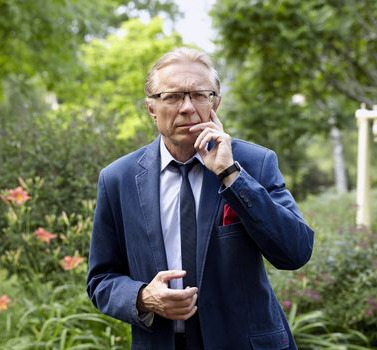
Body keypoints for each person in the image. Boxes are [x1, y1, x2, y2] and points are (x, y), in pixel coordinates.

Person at [87, 47, 314, 350]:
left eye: (198, 95)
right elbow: (101, 279)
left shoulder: (254, 163)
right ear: (151, 108)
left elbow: (295, 252)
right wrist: (143, 297)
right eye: (172, 96)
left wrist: (231, 175)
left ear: (215, 103)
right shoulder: (118, 179)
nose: (186, 107)